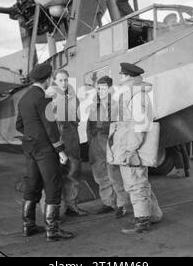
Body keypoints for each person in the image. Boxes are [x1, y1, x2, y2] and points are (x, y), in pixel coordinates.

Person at [16, 64, 74, 241]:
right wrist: (61, 152)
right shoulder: (44, 99)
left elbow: (19, 125)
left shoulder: (23, 99)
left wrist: (33, 135)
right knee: (53, 185)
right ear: (48, 79)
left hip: (29, 148)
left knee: (32, 184)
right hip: (45, 150)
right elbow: (51, 129)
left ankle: (28, 225)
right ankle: (53, 230)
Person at [107, 63, 163, 234]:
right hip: (126, 146)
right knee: (140, 182)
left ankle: (142, 223)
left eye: (123, 76)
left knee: (135, 184)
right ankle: (153, 214)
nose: (120, 79)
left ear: (130, 77)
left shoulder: (137, 97)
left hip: (130, 149)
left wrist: (130, 150)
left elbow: (139, 128)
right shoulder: (133, 94)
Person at [46, 69, 88, 216]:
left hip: (72, 139)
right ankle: (58, 210)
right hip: (57, 139)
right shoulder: (49, 96)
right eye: (60, 80)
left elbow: (77, 118)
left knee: (74, 173)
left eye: (66, 80)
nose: (64, 83)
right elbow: (48, 122)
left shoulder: (72, 96)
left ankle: (72, 206)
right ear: (54, 81)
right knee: (56, 176)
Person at [87, 76, 129, 217]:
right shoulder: (95, 105)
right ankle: (108, 203)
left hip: (110, 142)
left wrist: (117, 146)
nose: (101, 91)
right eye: (98, 88)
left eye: (104, 88)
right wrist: (90, 141)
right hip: (96, 142)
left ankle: (121, 205)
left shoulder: (117, 106)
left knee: (115, 175)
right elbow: (89, 124)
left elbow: (122, 127)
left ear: (111, 88)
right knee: (100, 175)